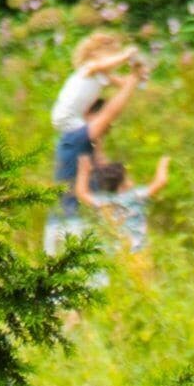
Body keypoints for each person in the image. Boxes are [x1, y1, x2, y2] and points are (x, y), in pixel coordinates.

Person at [48, 33, 143, 256]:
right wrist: (126, 55)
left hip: (72, 221)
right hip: (69, 221)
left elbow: (124, 86)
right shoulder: (89, 68)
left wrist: (135, 78)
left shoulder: (81, 143)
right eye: (110, 52)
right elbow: (110, 112)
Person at [75, 145, 171, 268]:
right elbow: (160, 182)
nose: (131, 179)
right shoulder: (135, 196)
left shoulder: (103, 201)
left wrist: (83, 171)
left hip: (116, 255)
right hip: (139, 251)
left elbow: (81, 193)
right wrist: (164, 162)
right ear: (122, 184)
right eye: (128, 177)